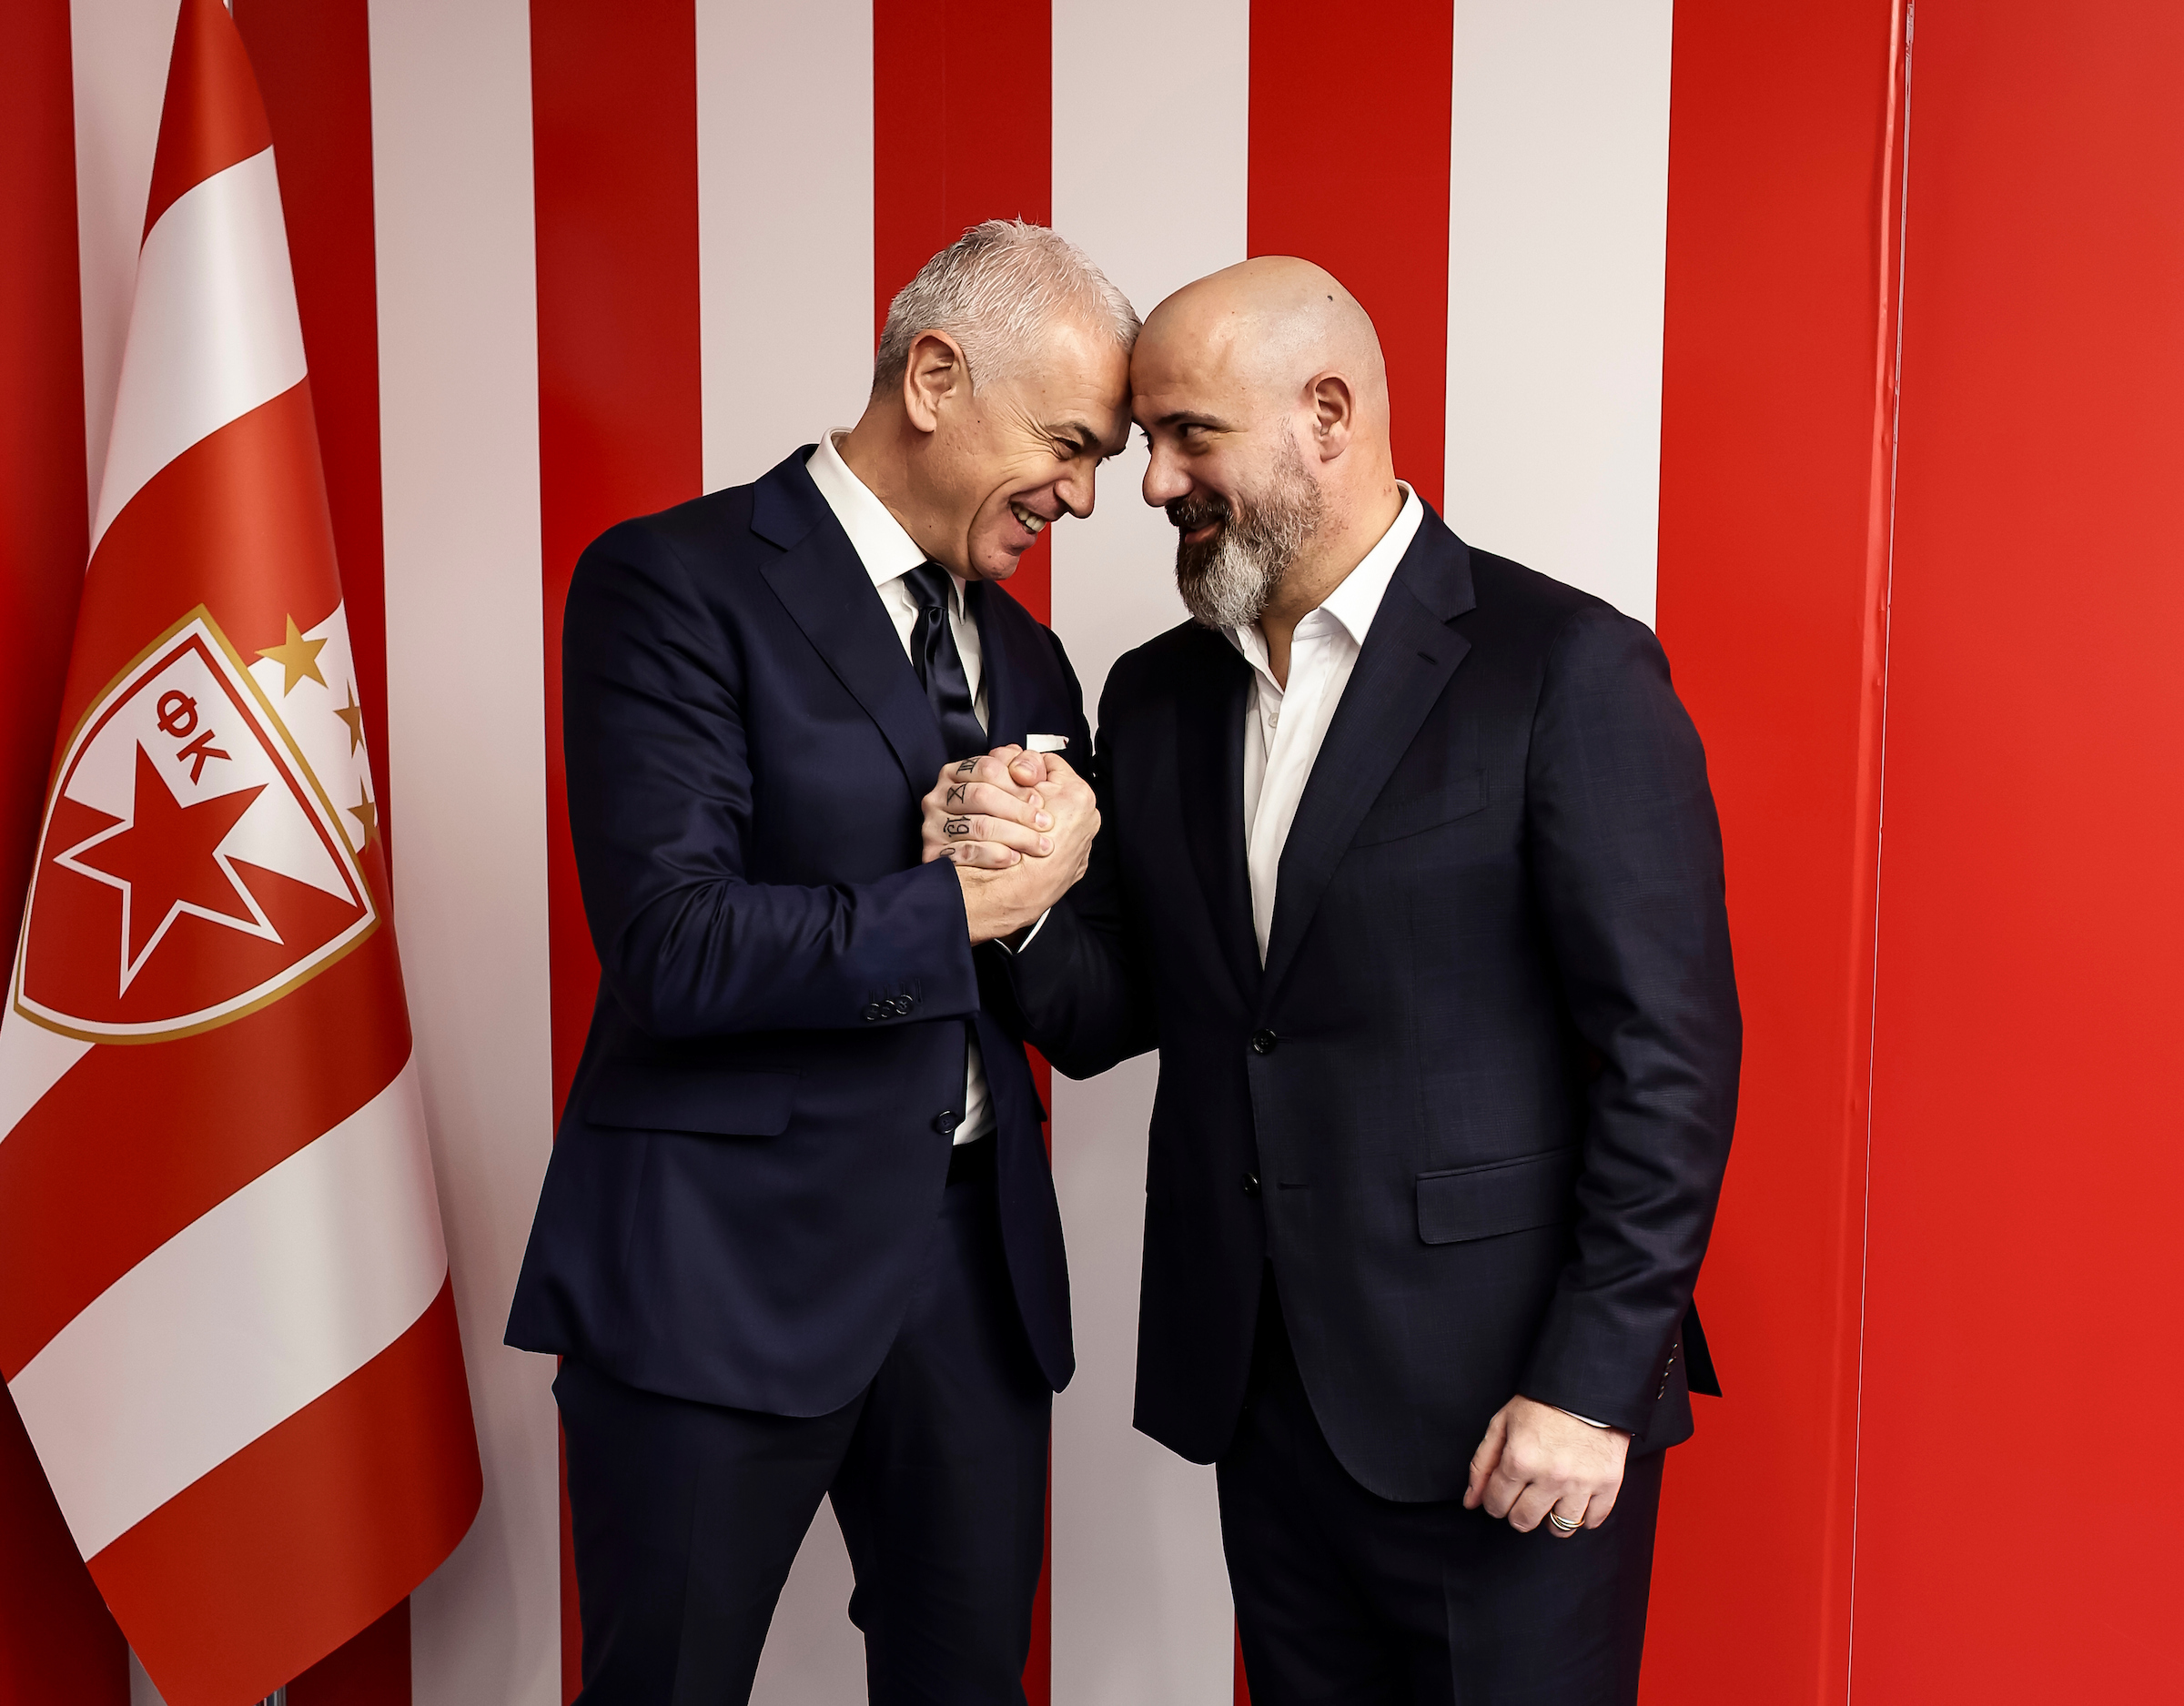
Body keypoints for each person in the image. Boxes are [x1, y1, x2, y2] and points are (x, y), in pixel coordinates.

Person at [926, 257, 1740, 1702]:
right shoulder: (1157, 695)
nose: (1152, 483)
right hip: (1264, 1402)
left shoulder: (1565, 667)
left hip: (1513, 1414)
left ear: (1328, 414)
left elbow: (1667, 1063)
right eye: (1146, 441)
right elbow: (1123, 1014)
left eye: (1190, 436)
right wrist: (1009, 895)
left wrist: (1587, 1387)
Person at [506, 219, 1125, 1703]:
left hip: (972, 1279)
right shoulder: (672, 583)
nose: (1084, 496)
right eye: (1067, 445)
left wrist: (1044, 902)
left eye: (1101, 459)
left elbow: (1091, 1012)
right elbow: (673, 947)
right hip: (717, 1269)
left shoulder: (1032, 662)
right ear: (934, 377)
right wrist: (960, 900)